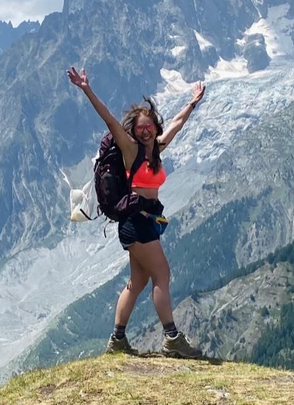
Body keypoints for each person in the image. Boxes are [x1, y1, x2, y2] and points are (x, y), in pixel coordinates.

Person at [67, 66, 206, 358]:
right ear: (133, 131)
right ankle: (172, 338)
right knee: (162, 274)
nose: (145, 131)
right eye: (140, 128)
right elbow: (109, 119)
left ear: (155, 127)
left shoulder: (157, 149)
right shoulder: (131, 150)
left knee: (138, 281)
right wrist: (86, 89)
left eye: (149, 127)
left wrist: (193, 102)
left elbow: (178, 123)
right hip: (136, 221)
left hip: (146, 221)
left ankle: (117, 340)